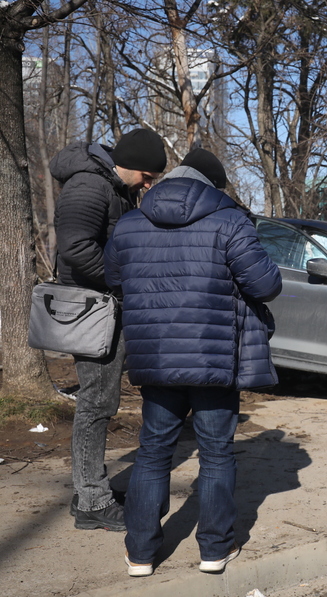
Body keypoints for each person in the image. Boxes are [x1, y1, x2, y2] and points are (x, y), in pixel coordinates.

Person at [104, 148, 282, 576]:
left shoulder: (129, 224)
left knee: (153, 453)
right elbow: (266, 285)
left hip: (156, 354)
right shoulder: (230, 221)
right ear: (212, 187)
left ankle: (141, 555)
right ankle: (214, 551)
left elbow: (114, 279)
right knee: (217, 453)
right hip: (214, 355)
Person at [51, 128, 167, 531]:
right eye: (148, 176)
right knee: (96, 404)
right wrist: (121, 281)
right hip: (93, 307)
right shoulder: (90, 186)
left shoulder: (111, 187)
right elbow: (76, 247)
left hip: (102, 305)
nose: (149, 184)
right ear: (132, 165)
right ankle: (92, 501)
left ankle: (88, 489)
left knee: (99, 402)